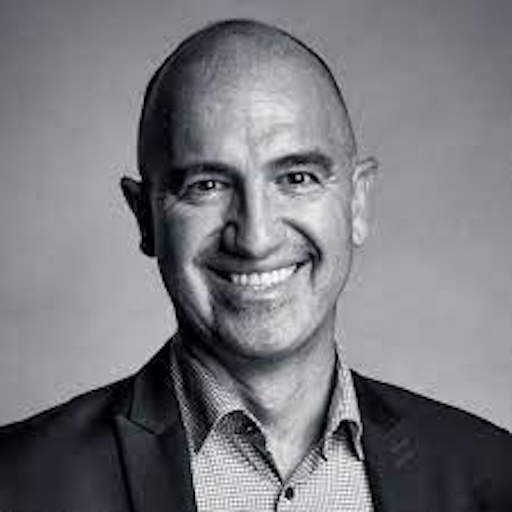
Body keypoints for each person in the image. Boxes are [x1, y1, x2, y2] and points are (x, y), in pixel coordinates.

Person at [0, 19, 511, 512]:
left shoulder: (493, 475)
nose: (256, 238)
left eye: (297, 177)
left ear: (357, 203)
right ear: (145, 218)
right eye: (206, 185)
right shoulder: (18, 484)